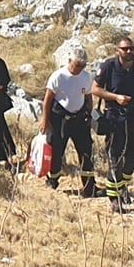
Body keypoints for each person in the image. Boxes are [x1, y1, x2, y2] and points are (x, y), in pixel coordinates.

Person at [92, 37, 134, 213]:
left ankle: (122, 186)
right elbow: (95, 89)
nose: (128, 52)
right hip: (114, 118)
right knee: (115, 157)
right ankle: (114, 198)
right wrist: (116, 97)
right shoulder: (108, 66)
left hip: (133, 117)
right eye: (125, 49)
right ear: (117, 50)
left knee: (132, 155)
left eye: (131, 49)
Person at [41, 47, 97, 197]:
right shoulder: (58, 76)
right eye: (76, 65)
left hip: (79, 119)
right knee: (57, 150)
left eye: (82, 65)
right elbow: (47, 100)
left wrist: (90, 114)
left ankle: (89, 186)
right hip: (60, 119)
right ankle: (52, 181)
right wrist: (45, 120)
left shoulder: (86, 76)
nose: (79, 68)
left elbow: (88, 96)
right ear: (69, 61)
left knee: (86, 151)